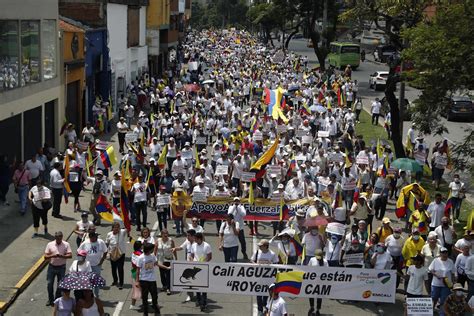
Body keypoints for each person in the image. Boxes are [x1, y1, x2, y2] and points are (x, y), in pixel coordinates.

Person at [136, 242, 169, 316]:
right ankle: (145, 313)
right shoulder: (140, 258)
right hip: (144, 280)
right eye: (152, 249)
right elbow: (137, 270)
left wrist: (166, 267)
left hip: (152, 280)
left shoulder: (152, 256)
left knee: (154, 296)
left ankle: (156, 311)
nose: (153, 250)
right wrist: (137, 281)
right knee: (145, 298)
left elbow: (157, 264)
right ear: (148, 250)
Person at [251, 239, 278, 316]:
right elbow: (252, 260)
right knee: (258, 293)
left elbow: (276, 263)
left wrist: (271, 263)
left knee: (266, 293)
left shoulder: (272, 254)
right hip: (258, 277)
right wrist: (255, 264)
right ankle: (260, 310)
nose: (259, 247)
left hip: (268, 278)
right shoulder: (257, 252)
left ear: (266, 246)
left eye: (261, 246)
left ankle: (265, 307)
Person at [44, 231, 72, 306]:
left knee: (60, 284)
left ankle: (57, 299)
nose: (58, 240)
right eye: (57, 238)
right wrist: (53, 255)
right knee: (49, 284)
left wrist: (62, 256)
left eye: (59, 238)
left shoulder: (66, 244)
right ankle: (50, 299)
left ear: (62, 237)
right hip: (52, 267)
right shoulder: (50, 244)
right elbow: (45, 257)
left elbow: (70, 255)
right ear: (55, 238)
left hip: (61, 267)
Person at [77, 232, 107, 298]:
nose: (95, 239)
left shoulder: (100, 242)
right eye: (94, 238)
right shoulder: (85, 243)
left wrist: (102, 260)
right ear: (90, 237)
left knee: (96, 281)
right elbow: (79, 251)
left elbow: (105, 251)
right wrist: (82, 261)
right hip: (87, 266)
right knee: (88, 281)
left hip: (97, 265)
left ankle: (96, 295)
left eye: (96, 237)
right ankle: (89, 296)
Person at [429, 247, 455, 313]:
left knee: (444, 299)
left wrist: (453, 283)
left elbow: (453, 273)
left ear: (447, 253)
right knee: (434, 297)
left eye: (446, 252)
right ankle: (433, 307)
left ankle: (442, 312)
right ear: (440, 253)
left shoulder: (450, 261)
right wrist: (436, 275)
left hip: (446, 284)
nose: (444, 254)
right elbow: (430, 269)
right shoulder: (436, 260)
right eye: (443, 252)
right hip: (436, 283)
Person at [190, 232, 212, 311]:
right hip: (196, 269)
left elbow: (209, 257)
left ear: (200, 239)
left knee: (204, 286)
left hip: (204, 269)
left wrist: (203, 263)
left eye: (196, 238)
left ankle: (204, 301)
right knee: (197, 286)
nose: (194, 240)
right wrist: (192, 261)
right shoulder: (193, 245)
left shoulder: (207, 246)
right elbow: (191, 256)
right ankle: (199, 299)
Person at [106, 222, 128, 289]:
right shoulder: (109, 234)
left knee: (120, 268)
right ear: (112, 228)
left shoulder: (122, 232)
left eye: (118, 227)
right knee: (113, 268)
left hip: (121, 253)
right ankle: (115, 280)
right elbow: (107, 243)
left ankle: (121, 283)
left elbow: (128, 227)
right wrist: (106, 252)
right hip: (112, 254)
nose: (116, 228)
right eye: (115, 227)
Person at [308, 249, 327, 316]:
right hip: (312, 280)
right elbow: (308, 268)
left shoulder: (325, 261)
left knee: (319, 296)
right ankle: (312, 307)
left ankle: (318, 309)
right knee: (311, 294)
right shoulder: (312, 259)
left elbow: (328, 271)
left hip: (321, 281)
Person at [156, 229, 176, 295]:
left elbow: (174, 249)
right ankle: (164, 285)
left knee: (168, 274)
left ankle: (168, 288)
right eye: (164, 233)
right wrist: (154, 259)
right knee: (162, 274)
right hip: (160, 260)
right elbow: (155, 250)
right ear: (161, 234)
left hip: (168, 259)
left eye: (166, 233)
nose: (165, 235)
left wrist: (176, 258)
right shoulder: (158, 241)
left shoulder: (171, 240)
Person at [130, 241, 143, 311]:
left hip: (135, 272)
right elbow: (136, 265)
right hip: (137, 273)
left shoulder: (134, 253)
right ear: (140, 246)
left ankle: (145, 299)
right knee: (136, 289)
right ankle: (132, 305)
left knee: (142, 288)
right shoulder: (139, 254)